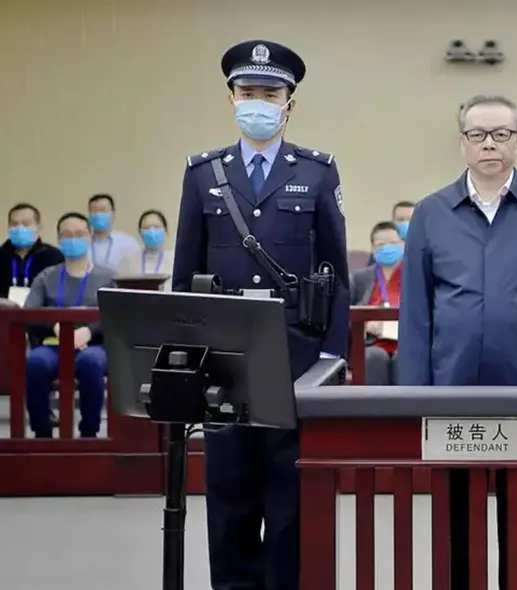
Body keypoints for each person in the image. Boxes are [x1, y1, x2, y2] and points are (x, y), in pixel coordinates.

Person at [171, 39, 350, 590]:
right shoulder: (203, 173)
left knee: (290, 494)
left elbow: (338, 277)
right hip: (223, 358)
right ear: (231, 98)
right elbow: (185, 272)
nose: (258, 103)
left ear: (289, 103)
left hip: (295, 357)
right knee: (229, 493)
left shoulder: (317, 172)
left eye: (269, 95)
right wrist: (185, 358)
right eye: (248, 92)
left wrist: (329, 360)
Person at [397, 93, 517, 590]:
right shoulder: (432, 212)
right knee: (456, 522)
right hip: (452, 391)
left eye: (501, 134)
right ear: (462, 143)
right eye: (477, 134)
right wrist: (412, 394)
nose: (489, 144)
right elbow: (415, 311)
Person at [23, 213, 116, 438]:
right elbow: (29, 313)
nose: (73, 239)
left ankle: (89, 432)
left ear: (90, 236)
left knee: (90, 362)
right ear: (58, 239)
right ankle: (42, 432)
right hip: (54, 344)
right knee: (35, 363)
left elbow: (119, 314)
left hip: (95, 346)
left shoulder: (109, 277)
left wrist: (89, 331)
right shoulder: (46, 277)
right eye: (67, 235)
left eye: (79, 234)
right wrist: (55, 326)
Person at [349, 221, 403, 385]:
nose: (387, 248)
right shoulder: (360, 278)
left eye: (392, 243)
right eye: (381, 244)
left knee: (406, 357)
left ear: (402, 245)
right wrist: (364, 325)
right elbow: (346, 315)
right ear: (373, 249)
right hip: (373, 343)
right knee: (374, 357)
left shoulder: (416, 276)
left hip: (406, 342)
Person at [0, 203, 63, 303]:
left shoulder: (54, 257)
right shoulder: (2, 255)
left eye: (26, 224)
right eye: (14, 224)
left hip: (41, 311)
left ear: (38, 226)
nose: (20, 228)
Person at [118, 209, 175, 290]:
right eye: (146, 228)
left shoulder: (174, 260)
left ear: (165, 230)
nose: (152, 231)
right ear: (140, 233)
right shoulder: (128, 261)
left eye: (156, 227)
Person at [86, 194, 141, 271]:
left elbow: (137, 270)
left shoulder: (128, 243)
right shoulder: (83, 243)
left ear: (113, 214)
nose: (98, 215)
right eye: (94, 211)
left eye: (103, 210)